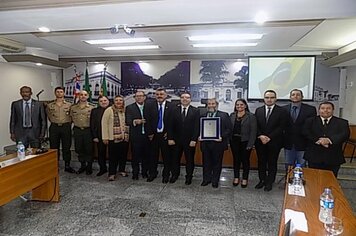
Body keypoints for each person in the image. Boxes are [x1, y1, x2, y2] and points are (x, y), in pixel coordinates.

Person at [303, 101, 350, 177]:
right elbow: (305, 132)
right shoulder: (310, 121)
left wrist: (329, 140)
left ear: (333, 110)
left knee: (331, 180)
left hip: (333, 158)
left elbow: (345, 134)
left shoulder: (342, 122)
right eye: (323, 108)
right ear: (319, 110)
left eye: (328, 108)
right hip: (314, 157)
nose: (325, 110)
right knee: (314, 179)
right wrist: (319, 140)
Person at [255, 90, 288, 191]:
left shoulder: (282, 111)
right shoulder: (258, 110)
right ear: (264, 98)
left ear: (275, 99)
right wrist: (261, 135)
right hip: (260, 142)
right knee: (261, 162)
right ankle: (262, 180)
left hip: (274, 142)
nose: (269, 99)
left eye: (272, 97)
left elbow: (281, 126)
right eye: (267, 97)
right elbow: (256, 125)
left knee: (272, 162)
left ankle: (269, 182)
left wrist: (269, 137)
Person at [167, 92, 200, 185]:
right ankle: (174, 175)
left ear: (190, 99)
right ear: (180, 99)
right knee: (175, 159)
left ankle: (189, 177)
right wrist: (170, 138)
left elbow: (197, 127)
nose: (185, 99)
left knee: (189, 160)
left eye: (187, 97)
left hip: (190, 141)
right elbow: (170, 125)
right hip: (175, 141)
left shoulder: (196, 111)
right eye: (183, 97)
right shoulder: (173, 110)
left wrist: (194, 139)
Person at [200, 98, 232, 188]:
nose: (211, 105)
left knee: (217, 163)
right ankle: (206, 179)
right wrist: (200, 135)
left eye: (213, 103)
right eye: (209, 104)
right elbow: (199, 128)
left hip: (218, 144)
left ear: (216, 104)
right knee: (206, 162)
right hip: (205, 143)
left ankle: (215, 181)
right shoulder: (202, 115)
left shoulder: (224, 115)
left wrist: (221, 136)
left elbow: (229, 129)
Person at [283, 89, 316, 169]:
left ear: (302, 97)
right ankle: (288, 181)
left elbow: (312, 126)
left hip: (303, 142)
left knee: (301, 165)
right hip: (288, 143)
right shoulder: (283, 109)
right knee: (288, 165)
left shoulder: (310, 109)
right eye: (293, 94)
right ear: (290, 97)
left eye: (298, 94)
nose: (295, 96)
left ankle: (300, 181)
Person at [145, 88, 173, 183]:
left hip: (165, 136)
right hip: (154, 136)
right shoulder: (149, 105)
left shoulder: (171, 106)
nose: (159, 96)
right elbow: (147, 120)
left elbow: (173, 122)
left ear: (166, 95)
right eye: (157, 94)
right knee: (152, 156)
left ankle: (166, 175)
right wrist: (150, 133)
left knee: (167, 157)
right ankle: (152, 173)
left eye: (161, 94)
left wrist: (169, 133)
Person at [46, 86, 75, 173]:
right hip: (54, 127)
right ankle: (55, 165)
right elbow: (49, 116)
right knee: (54, 147)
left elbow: (72, 116)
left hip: (66, 127)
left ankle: (67, 165)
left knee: (67, 147)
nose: (59, 93)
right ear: (55, 93)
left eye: (61, 92)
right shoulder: (50, 105)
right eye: (57, 92)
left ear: (64, 93)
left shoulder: (69, 105)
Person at [229, 99, 257, 188]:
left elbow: (253, 132)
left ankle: (245, 178)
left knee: (245, 161)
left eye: (241, 105)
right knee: (236, 160)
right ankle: (236, 177)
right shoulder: (232, 115)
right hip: (234, 142)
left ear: (245, 106)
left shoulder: (251, 116)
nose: (239, 106)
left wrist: (251, 144)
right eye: (237, 105)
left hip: (245, 142)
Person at [102, 95, 129, 181]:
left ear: (123, 102)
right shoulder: (109, 110)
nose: (118, 102)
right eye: (116, 100)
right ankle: (112, 173)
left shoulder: (125, 110)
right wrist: (105, 137)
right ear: (114, 102)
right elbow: (104, 124)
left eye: (120, 100)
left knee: (123, 155)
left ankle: (122, 170)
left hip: (124, 137)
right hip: (112, 138)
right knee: (113, 157)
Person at [125, 91, 150, 180]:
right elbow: (127, 121)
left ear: (144, 97)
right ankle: (135, 173)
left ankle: (144, 173)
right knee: (135, 156)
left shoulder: (149, 107)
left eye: (141, 96)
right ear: (134, 97)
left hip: (147, 136)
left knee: (146, 156)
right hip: (136, 136)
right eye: (137, 96)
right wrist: (135, 121)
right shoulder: (129, 108)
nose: (139, 98)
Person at [70, 90, 95, 175]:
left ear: (88, 96)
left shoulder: (92, 107)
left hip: (88, 130)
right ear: (78, 96)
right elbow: (71, 118)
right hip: (77, 130)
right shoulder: (73, 107)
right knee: (79, 148)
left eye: (85, 95)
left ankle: (89, 166)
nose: (83, 96)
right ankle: (82, 165)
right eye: (81, 95)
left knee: (89, 149)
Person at [90, 95, 110, 176]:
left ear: (108, 101)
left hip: (112, 135)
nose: (103, 102)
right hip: (100, 135)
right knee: (101, 153)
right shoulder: (95, 111)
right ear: (98, 102)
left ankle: (113, 169)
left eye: (105, 100)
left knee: (113, 153)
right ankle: (103, 168)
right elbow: (92, 124)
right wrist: (94, 136)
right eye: (101, 101)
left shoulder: (112, 109)